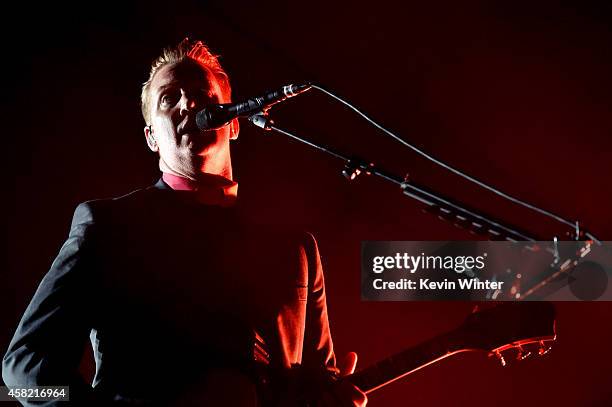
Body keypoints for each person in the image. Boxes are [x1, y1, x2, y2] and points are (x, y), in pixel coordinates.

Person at [2, 39, 367, 406]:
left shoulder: (295, 250)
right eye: (169, 99)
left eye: (201, 94)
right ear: (151, 139)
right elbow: (20, 373)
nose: (188, 104)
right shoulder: (109, 227)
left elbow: (318, 382)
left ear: (234, 122)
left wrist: (332, 397)